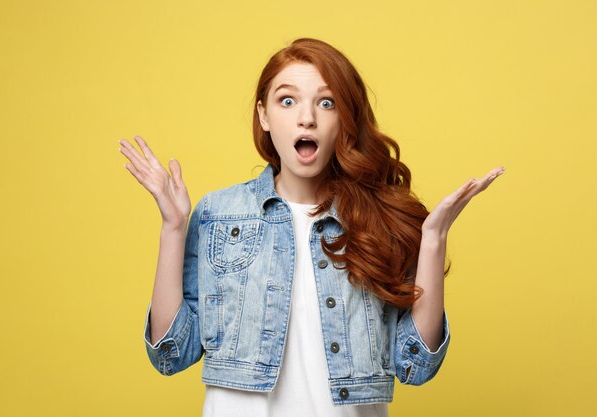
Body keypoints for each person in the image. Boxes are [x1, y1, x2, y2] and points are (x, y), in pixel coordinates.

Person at [119, 37, 504, 417]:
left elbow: (415, 365)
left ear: (345, 120)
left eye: (326, 102)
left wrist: (434, 239)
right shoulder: (219, 214)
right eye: (288, 100)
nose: (307, 117)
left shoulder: (377, 221)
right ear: (264, 116)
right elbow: (171, 354)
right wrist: (173, 228)